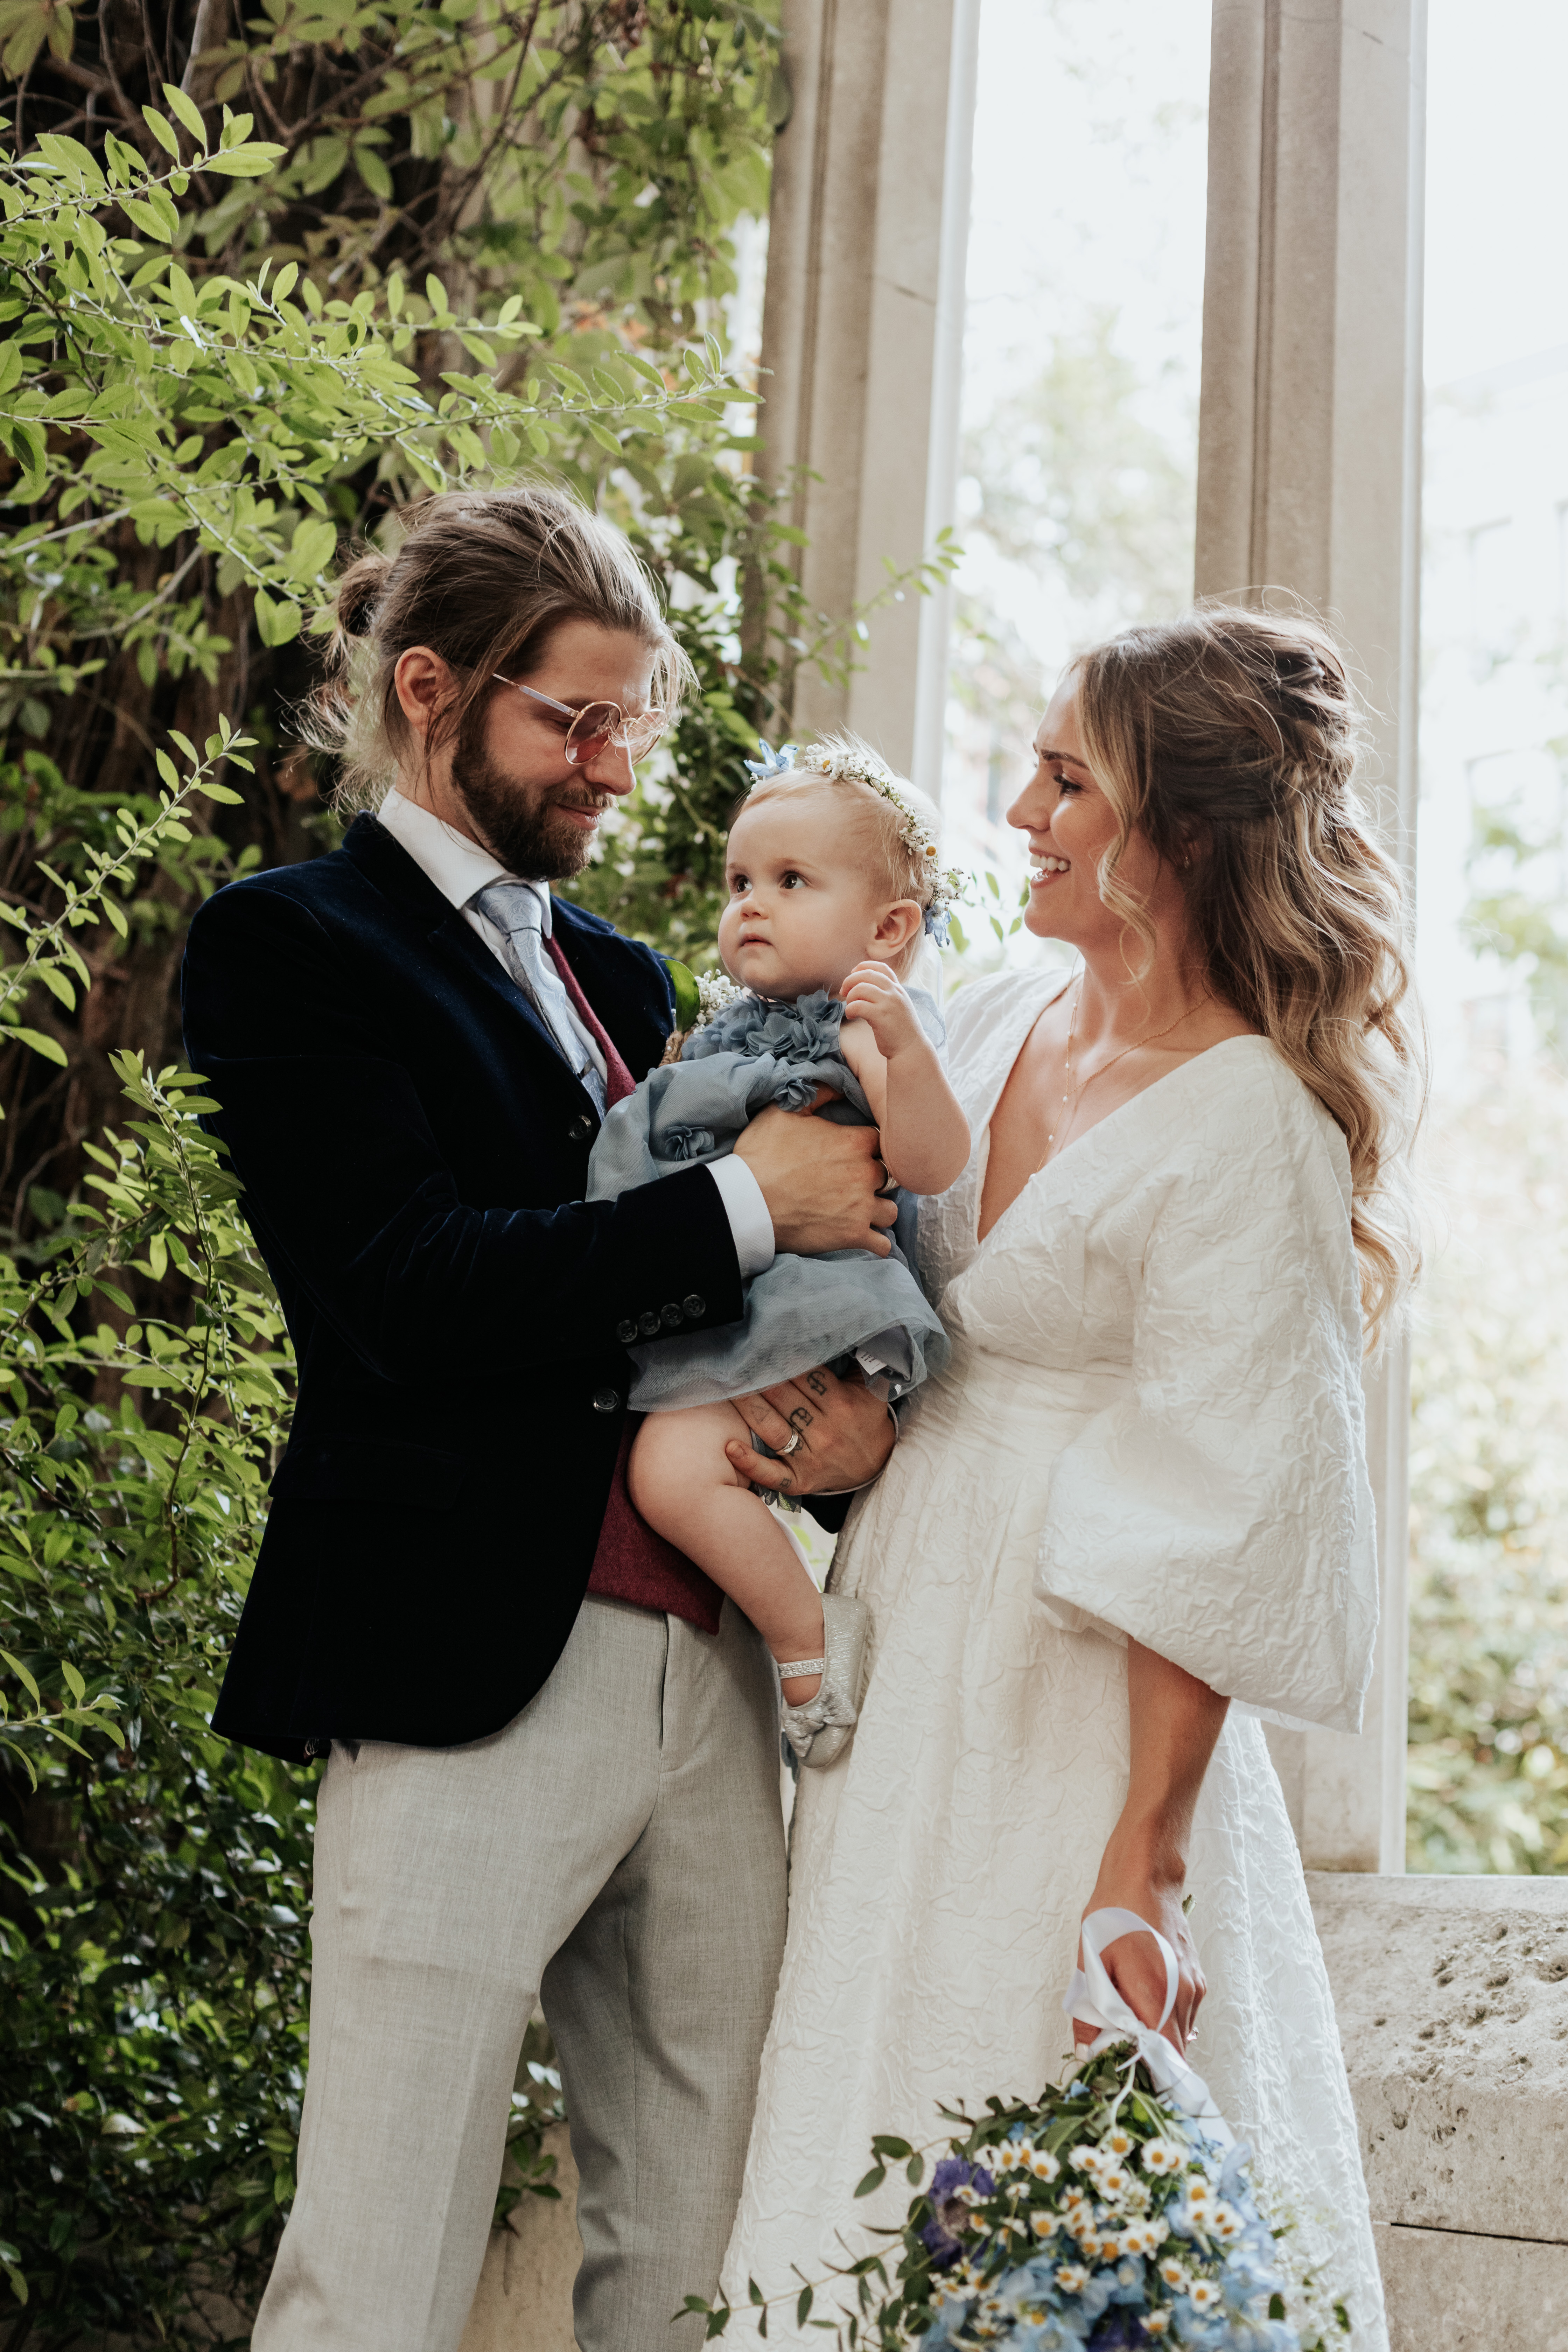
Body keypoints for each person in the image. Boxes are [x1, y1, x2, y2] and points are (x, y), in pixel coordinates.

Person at [179, 483, 897, 2352]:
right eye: (572, 722)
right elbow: (407, 1288)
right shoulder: (288, 944)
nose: (612, 767)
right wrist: (760, 1204)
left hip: (711, 1654)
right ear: (432, 690)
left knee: (707, 2250)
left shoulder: (633, 978)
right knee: (381, 2260)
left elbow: (690, 1310)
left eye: (631, 722)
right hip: (461, 1663)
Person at [722, 606, 1421, 2351]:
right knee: (861, 2079)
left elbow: (1226, 1508)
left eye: (1063, 780)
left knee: (1045, 2113)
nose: (1019, 812)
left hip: (1083, 1690)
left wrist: (1148, 1855)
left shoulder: (1253, 1119)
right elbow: (894, 1295)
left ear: (1173, 830)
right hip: (907, 1634)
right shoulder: (997, 1012)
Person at [596, 735, 970, 1767]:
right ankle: (802, 1633)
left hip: (814, 1306)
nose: (751, 903)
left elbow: (932, 1161)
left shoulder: (858, 1027)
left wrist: (903, 1048)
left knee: (671, 1473)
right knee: (670, 1468)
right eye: (740, 880)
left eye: (790, 880)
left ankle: (804, 1637)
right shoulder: (724, 1032)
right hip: (732, 1294)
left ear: (888, 929)